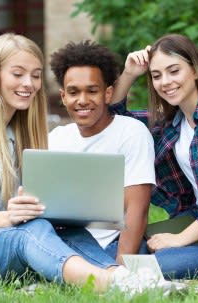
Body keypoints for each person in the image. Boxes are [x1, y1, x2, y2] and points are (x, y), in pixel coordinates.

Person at [0, 33, 162, 293]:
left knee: (62, 228)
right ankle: (107, 284)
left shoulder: (17, 132)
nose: (28, 83)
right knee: (29, 232)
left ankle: (124, 277)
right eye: (17, 74)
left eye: (35, 75)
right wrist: (9, 217)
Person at [110, 34, 198, 279]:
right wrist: (129, 74)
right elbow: (115, 118)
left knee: (149, 267)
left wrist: (179, 239)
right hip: (195, 222)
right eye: (157, 76)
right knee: (122, 250)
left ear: (195, 70)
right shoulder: (170, 121)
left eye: (174, 71)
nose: (165, 82)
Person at [46, 40, 155, 265]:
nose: (82, 100)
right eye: (73, 92)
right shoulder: (56, 138)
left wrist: (121, 267)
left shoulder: (131, 132)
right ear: (63, 96)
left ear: (107, 94)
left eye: (92, 91)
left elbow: (137, 210)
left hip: (109, 245)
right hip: (62, 241)